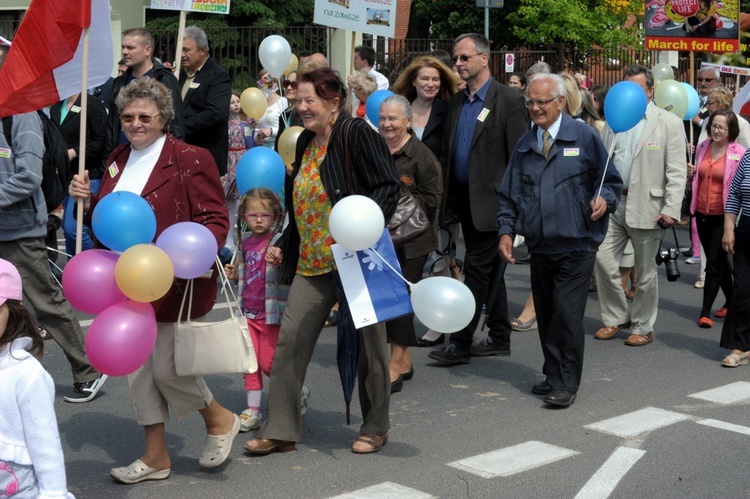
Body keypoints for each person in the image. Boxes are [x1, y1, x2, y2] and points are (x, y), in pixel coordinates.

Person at [69, 78, 238, 483]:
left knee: (166, 369)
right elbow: (109, 221)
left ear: (164, 117)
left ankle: (219, 418)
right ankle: (156, 456)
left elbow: (216, 219)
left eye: (145, 116)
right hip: (124, 280)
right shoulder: (117, 158)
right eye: (128, 116)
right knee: (139, 373)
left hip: (173, 280)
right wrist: (86, 202)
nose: (135, 123)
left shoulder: (191, 157)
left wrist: (196, 254)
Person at [244, 67, 399, 456]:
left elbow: (387, 187)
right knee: (291, 343)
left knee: (370, 348)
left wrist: (360, 228)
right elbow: (303, 203)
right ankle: (280, 429)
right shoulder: (303, 143)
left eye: (309, 100)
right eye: (298, 100)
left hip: (357, 256)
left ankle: (375, 427)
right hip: (313, 261)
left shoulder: (357, 133)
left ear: (334, 103)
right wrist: (285, 241)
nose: (301, 107)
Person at [498, 73, 622, 407]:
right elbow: (509, 194)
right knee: (550, 314)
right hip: (540, 244)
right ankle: (552, 374)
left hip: (577, 242)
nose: (535, 108)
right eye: (531, 102)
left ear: (560, 102)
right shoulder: (526, 144)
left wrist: (605, 200)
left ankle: (567, 383)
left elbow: (610, 181)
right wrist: (506, 230)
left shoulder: (582, 136)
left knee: (567, 315)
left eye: (542, 102)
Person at [0, 43, 106, 403]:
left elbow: (27, 177)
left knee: (45, 302)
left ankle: (88, 370)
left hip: (19, 230)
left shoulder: (21, 116)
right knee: (9, 307)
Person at [428, 33, 529, 365]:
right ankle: (499, 336)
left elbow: (519, 157)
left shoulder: (508, 100)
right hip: (463, 203)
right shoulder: (457, 102)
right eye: (456, 58)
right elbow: (447, 153)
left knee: (476, 272)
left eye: (464, 58)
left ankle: (460, 341)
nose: (457, 63)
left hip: (494, 206)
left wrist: (514, 209)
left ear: (484, 59)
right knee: (489, 273)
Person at [593, 64, 687, 346]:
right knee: (602, 258)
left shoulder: (667, 122)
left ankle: (642, 326)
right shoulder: (612, 120)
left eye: (637, 88)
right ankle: (615, 317)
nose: (630, 94)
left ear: (650, 90)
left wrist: (672, 208)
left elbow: (676, 170)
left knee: (645, 273)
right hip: (613, 202)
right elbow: (603, 162)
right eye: (625, 88)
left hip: (649, 206)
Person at [377, 95, 442, 392]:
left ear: (408, 121)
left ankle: (398, 360)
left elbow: (432, 199)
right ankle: (403, 361)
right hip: (380, 239)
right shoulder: (375, 149)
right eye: (383, 118)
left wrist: (396, 203)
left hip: (413, 241)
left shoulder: (421, 156)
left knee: (401, 299)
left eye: (393, 119)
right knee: (389, 300)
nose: (387, 124)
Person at [224, 188, 301, 432]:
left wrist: (281, 259)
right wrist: (235, 275)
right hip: (247, 314)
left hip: (270, 316)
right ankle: (253, 411)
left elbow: (290, 273)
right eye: (253, 215)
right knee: (249, 363)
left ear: (275, 216)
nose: (258, 219)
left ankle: (299, 391)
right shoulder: (244, 243)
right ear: (244, 217)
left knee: (269, 365)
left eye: (265, 215)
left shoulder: (278, 243)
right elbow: (246, 276)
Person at [0, 259, 74, 498]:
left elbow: (45, 444)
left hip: (15, 486)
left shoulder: (25, 373)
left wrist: (54, 494)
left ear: (12, 308)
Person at [689, 108, 744, 327]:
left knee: (713, 263)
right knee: (720, 264)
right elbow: (698, 179)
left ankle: (705, 312)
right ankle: (731, 301)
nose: (717, 130)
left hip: (725, 216)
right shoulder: (703, 147)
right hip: (702, 213)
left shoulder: (739, 152)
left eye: (722, 127)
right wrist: (691, 173)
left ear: (731, 130)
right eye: (714, 125)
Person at [50, 92, 112, 257]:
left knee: (74, 229)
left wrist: (75, 152)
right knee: (66, 229)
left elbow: (102, 140)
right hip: (64, 176)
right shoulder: (56, 106)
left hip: (87, 174)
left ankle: (96, 263)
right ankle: (74, 271)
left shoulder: (91, 104)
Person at [110, 27, 184, 144]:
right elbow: (112, 125)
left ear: (147, 50)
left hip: (154, 154)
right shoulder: (119, 82)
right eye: (123, 47)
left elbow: (175, 126)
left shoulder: (164, 79)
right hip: (123, 155)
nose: (124, 52)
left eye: (130, 47)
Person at [179, 25, 231, 175]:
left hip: (205, 152)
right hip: (181, 150)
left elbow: (216, 113)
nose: (182, 55)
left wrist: (180, 126)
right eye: (180, 49)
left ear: (202, 50)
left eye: (187, 50)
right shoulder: (180, 75)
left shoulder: (217, 76)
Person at [391, 55, 457, 158]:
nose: (430, 84)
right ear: (414, 81)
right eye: (425, 79)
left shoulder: (449, 111)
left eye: (435, 79)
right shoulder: (400, 108)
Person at [721, 147, 750, 366]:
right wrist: (729, 229)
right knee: (743, 289)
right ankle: (741, 345)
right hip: (746, 229)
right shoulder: (748, 156)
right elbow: (734, 194)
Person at [223, 89, 256, 252]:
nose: (236, 105)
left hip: (241, 160)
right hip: (228, 161)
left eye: (237, 102)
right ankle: (228, 238)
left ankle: (243, 236)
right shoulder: (223, 124)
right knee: (228, 200)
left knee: (240, 200)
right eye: (232, 102)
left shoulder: (246, 124)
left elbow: (250, 143)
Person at [254, 69, 289, 148]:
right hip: (263, 148)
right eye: (262, 79)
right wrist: (256, 138)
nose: (266, 82)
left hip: (279, 146)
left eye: (268, 78)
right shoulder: (259, 106)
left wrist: (271, 131)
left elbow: (288, 128)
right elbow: (256, 128)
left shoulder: (284, 102)